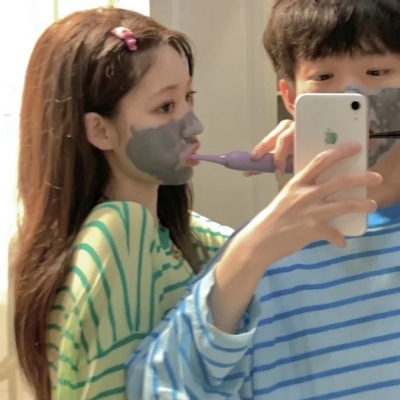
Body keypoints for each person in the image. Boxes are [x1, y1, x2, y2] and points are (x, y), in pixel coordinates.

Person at [126, 1, 400, 399]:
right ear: (290, 97)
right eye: (323, 76)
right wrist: (249, 254)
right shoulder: (259, 255)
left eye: (377, 72)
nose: (351, 93)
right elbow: (156, 388)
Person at [12, 8, 239, 400]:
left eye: (188, 97)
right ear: (100, 130)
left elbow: (267, 258)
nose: (194, 125)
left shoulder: (171, 234)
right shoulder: (119, 231)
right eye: (165, 106)